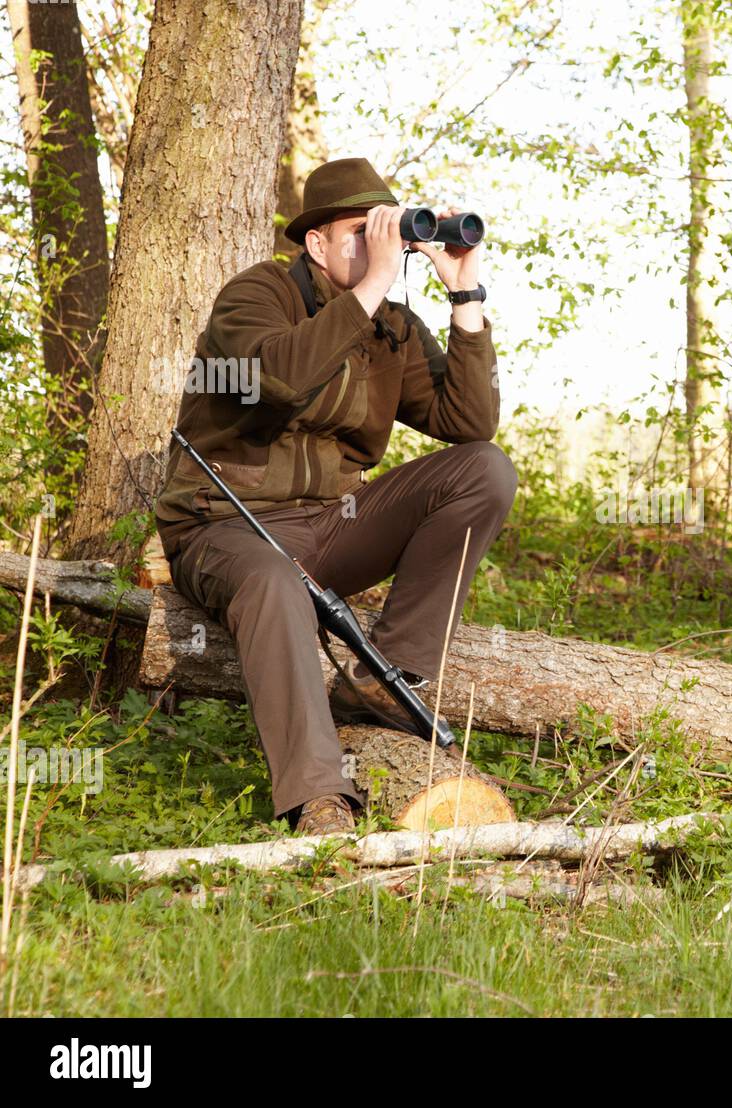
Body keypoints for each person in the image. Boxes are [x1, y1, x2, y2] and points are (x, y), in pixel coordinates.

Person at [153, 157, 516, 836]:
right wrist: (375, 282)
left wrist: (466, 296)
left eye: (386, 231)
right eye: (360, 231)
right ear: (316, 243)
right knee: (272, 580)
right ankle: (320, 799)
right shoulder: (255, 295)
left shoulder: (392, 328)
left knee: (484, 469)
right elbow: (280, 380)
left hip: (332, 526)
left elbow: (468, 425)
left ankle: (389, 676)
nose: (378, 243)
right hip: (228, 527)